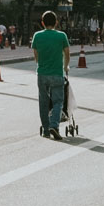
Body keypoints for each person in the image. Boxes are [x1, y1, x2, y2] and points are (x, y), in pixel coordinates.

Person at [29, 10, 70, 138]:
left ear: (42, 23)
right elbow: (67, 53)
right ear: (56, 22)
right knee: (58, 101)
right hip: (57, 73)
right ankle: (54, 125)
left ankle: (46, 129)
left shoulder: (37, 36)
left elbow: (36, 56)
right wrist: (65, 66)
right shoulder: (62, 36)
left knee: (43, 102)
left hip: (41, 73)